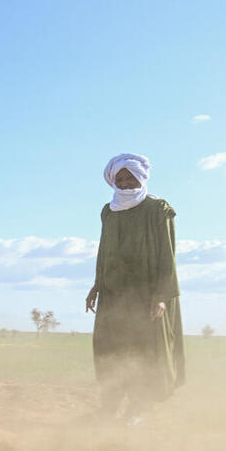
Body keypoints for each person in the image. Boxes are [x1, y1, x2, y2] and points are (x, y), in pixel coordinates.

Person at [86, 154, 185, 425]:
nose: (127, 182)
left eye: (131, 176)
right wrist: (97, 283)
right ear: (113, 180)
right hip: (114, 294)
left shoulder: (157, 208)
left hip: (148, 296)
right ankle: (110, 406)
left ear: (142, 177)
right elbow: (104, 248)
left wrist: (161, 296)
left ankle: (138, 409)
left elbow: (168, 253)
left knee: (145, 350)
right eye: (121, 177)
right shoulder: (109, 211)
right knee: (111, 348)